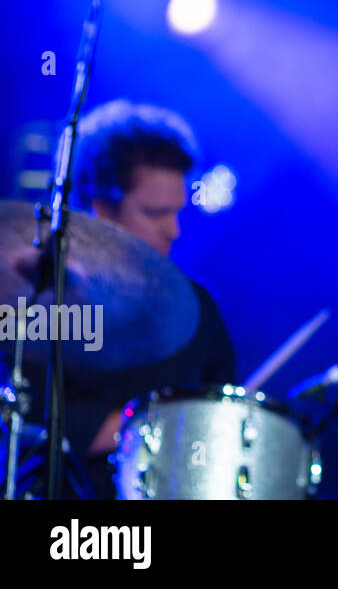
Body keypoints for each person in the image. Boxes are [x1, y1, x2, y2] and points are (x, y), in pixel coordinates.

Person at [62, 99, 236, 498]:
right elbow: (43, 422)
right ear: (103, 209)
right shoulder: (49, 305)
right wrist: (158, 427)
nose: (173, 230)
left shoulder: (199, 309)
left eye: (177, 212)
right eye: (155, 213)